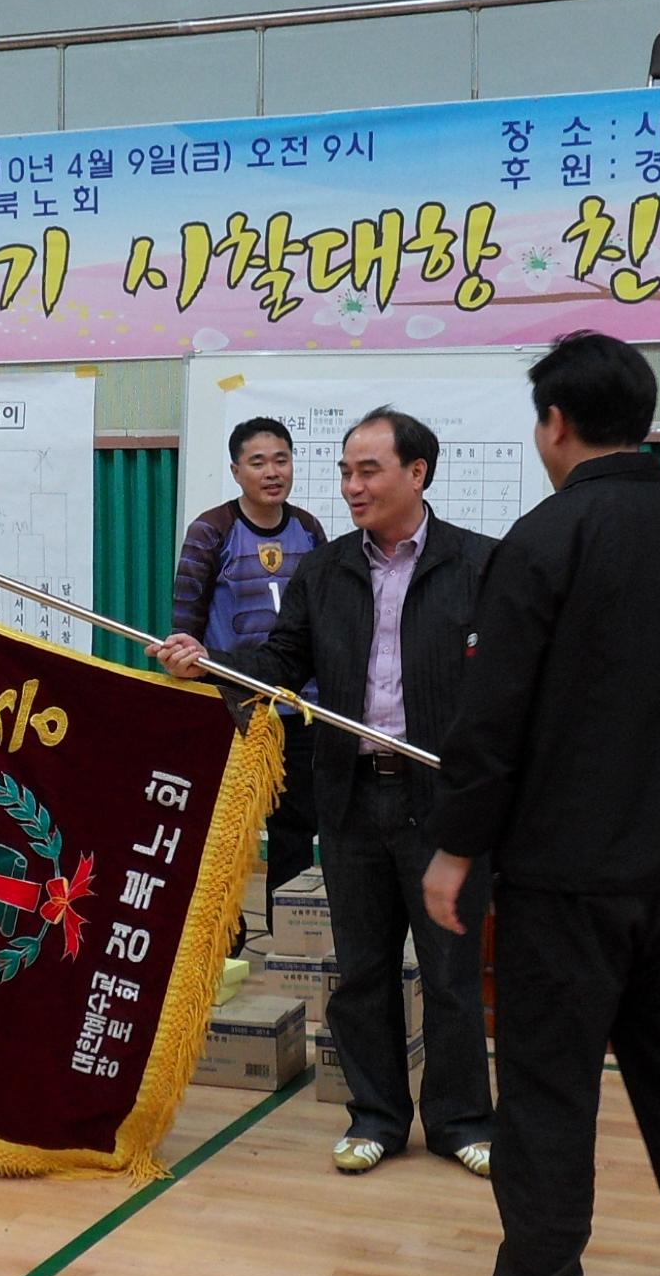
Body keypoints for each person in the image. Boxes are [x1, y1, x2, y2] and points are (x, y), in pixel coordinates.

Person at [420, 332, 660, 1276]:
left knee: (547, 1089)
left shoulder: (542, 542)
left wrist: (455, 850)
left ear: (556, 424)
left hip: (564, 881)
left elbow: (491, 723)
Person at [153, 408, 495, 1180]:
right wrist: (209, 664)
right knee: (363, 970)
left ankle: (463, 1120)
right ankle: (376, 1116)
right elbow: (281, 660)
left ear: (418, 472)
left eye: (368, 470)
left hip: (442, 803)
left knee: (448, 971)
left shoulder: (478, 564)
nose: (351, 487)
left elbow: (508, 687)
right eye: (345, 471)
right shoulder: (327, 568)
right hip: (350, 798)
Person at [171, 417, 330, 896]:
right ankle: (225, 932)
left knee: (296, 829)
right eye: (258, 462)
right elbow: (185, 626)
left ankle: (287, 930)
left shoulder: (308, 530)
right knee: (227, 831)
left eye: (281, 460)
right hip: (232, 708)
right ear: (236, 471)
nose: (272, 472)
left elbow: (325, 619)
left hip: (300, 709)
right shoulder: (211, 531)